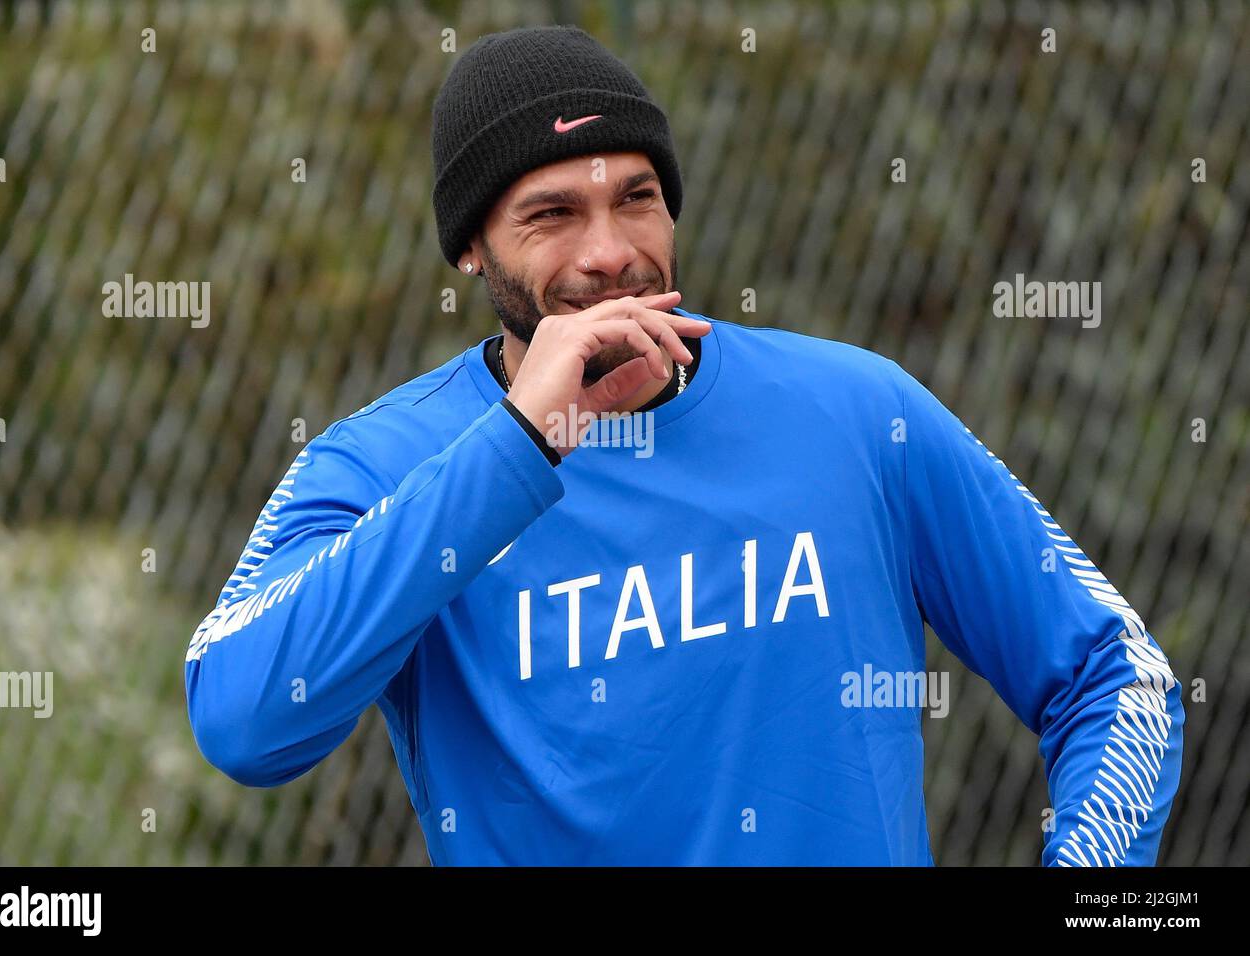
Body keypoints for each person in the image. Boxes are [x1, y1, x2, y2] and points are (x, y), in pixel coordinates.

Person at [184, 25, 1184, 866]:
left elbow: (1115, 674)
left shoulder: (851, 410)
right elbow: (244, 720)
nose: (610, 250)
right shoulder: (383, 465)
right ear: (470, 248)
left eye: (635, 197)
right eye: (551, 215)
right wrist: (521, 444)